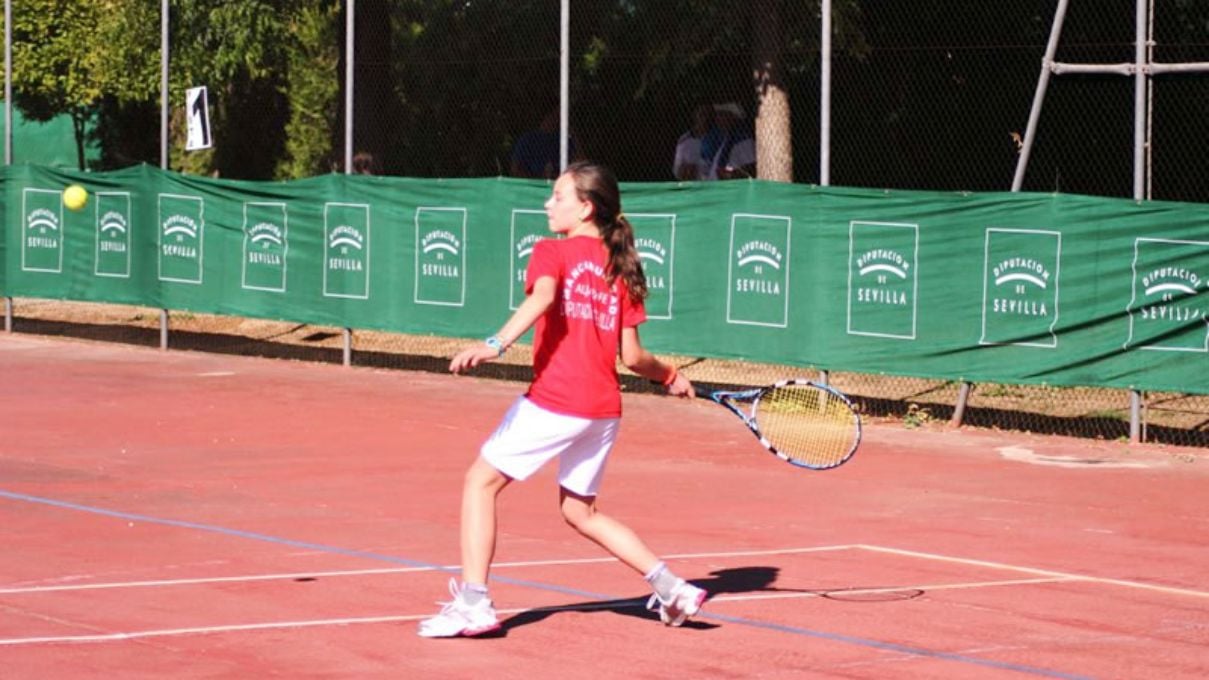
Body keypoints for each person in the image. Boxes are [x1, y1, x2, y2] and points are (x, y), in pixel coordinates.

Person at [418, 160, 706, 638]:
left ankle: (474, 603)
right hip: (602, 412)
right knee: (579, 511)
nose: (547, 204)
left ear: (585, 207)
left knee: (479, 483)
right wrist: (670, 374)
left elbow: (544, 298)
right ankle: (672, 586)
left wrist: (494, 344)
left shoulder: (551, 250)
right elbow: (634, 358)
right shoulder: (621, 268)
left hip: (557, 400)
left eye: (557, 196)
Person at [510, 108, 576, 180]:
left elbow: (580, 161)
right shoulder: (529, 139)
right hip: (533, 181)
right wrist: (534, 180)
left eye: (558, 117)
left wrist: (573, 134)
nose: (556, 120)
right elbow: (515, 168)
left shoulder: (563, 139)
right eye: (553, 116)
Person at [700, 102, 756, 180]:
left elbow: (750, 168)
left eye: (721, 115)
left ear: (732, 117)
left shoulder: (743, 139)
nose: (717, 119)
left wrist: (731, 175)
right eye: (717, 115)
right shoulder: (727, 138)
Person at [672, 104, 713, 181]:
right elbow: (676, 169)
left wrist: (698, 169)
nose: (706, 118)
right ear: (695, 115)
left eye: (709, 115)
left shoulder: (716, 138)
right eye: (702, 114)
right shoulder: (684, 139)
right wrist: (684, 170)